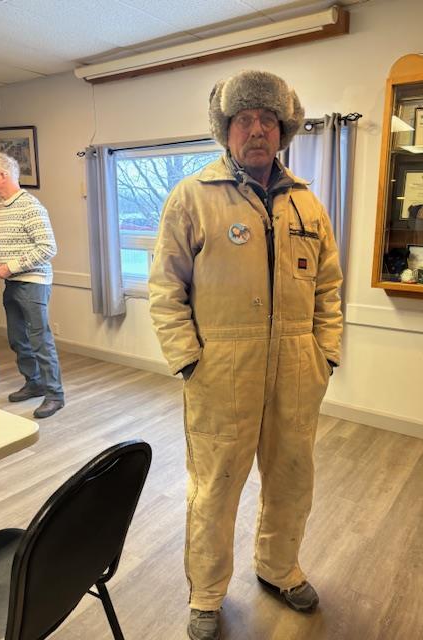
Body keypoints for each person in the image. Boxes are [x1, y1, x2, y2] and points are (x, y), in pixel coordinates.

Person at [149, 70, 343, 640]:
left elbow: (329, 287)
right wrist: (189, 358)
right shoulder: (192, 197)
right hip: (221, 370)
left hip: (296, 368)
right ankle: (207, 594)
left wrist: (325, 353)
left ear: (283, 129)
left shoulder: (307, 203)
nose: (257, 130)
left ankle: (279, 568)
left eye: (267, 119)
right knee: (215, 484)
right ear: (225, 128)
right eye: (244, 119)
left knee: (291, 478)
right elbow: (165, 287)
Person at [0, 153, 64, 419]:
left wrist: (10, 267)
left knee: (39, 340)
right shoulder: (1, 207)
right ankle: (34, 383)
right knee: (17, 339)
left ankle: (55, 395)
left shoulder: (31, 206)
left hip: (33, 283)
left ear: (3, 175)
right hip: (12, 282)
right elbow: (9, 245)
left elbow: (48, 248)